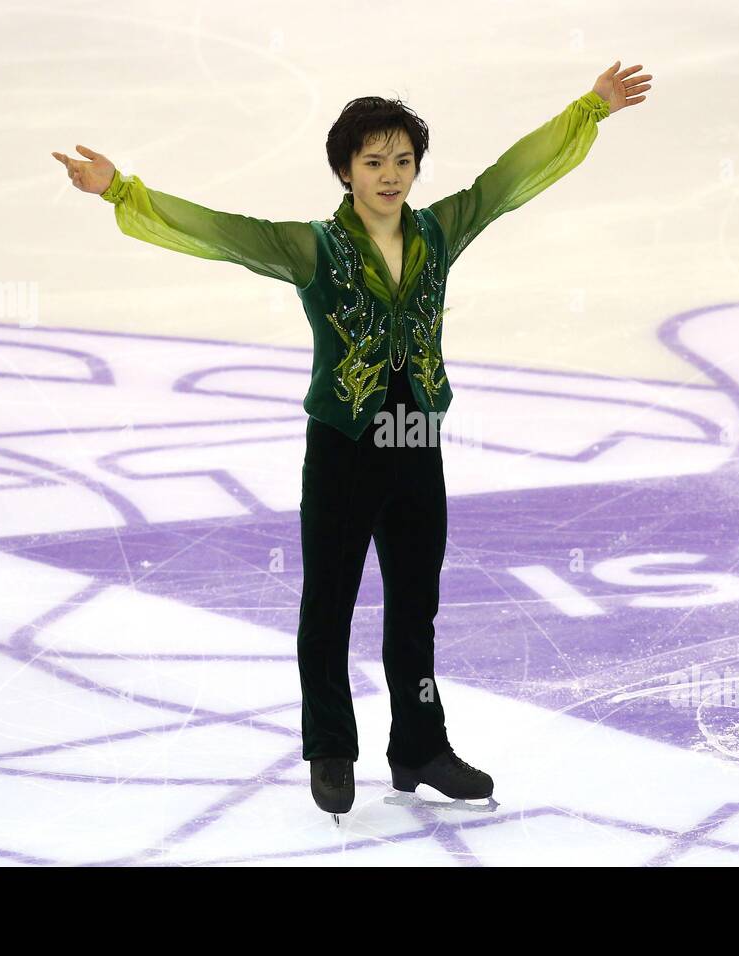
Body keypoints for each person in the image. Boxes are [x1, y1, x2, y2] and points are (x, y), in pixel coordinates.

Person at [52, 61, 652, 823]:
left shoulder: (439, 230)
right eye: (374, 161)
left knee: (415, 609)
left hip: (415, 445)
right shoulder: (313, 249)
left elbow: (508, 179)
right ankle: (331, 748)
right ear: (345, 170)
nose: (391, 175)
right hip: (342, 449)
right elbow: (222, 234)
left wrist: (589, 110)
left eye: (402, 160)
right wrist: (120, 191)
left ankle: (421, 748)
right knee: (328, 605)